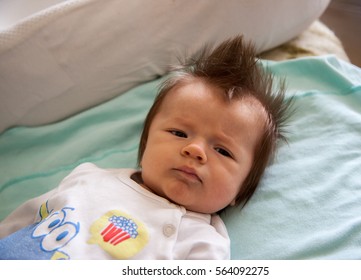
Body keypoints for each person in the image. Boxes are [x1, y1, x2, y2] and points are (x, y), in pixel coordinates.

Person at [0, 36, 292, 260]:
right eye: (179, 132)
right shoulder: (89, 178)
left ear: (241, 191)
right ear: (145, 145)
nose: (195, 150)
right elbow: (26, 217)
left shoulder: (202, 242)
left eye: (223, 151)